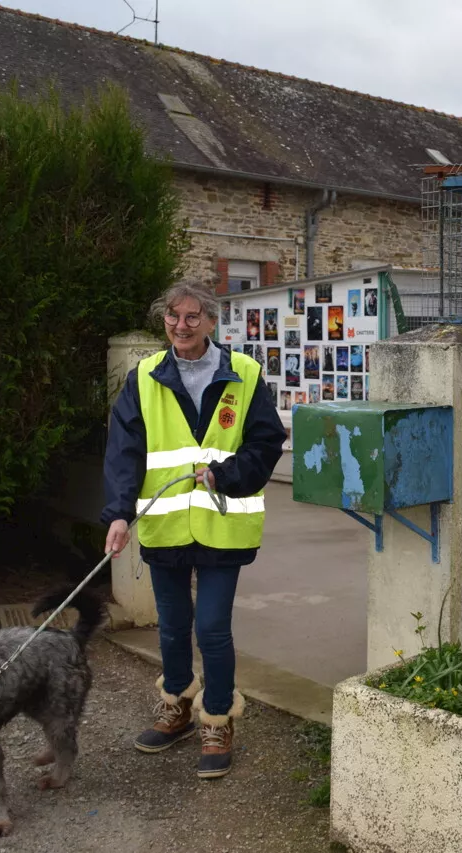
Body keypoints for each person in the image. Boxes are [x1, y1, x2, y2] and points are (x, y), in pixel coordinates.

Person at [100, 280, 287, 779]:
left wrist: (226, 474)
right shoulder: (143, 378)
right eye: (171, 317)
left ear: (210, 321)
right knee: (172, 625)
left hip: (224, 527)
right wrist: (118, 513)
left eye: (191, 317)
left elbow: (266, 443)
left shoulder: (243, 374)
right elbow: (124, 452)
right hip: (164, 527)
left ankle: (218, 717)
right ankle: (177, 705)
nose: (180, 326)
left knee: (211, 628)